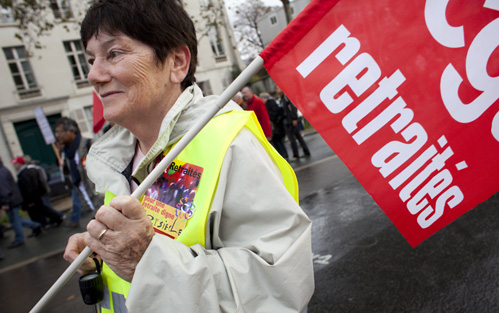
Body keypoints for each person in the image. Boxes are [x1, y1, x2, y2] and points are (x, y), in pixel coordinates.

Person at [63, 1, 314, 312]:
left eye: (113, 53)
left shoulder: (230, 144)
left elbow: (280, 289)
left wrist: (147, 260)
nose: (93, 75)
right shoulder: (116, 160)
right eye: (90, 59)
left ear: (177, 62)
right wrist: (103, 250)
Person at [55, 117, 98, 228]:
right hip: (88, 200)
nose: (57, 135)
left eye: (60, 132)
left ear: (72, 131)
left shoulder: (90, 144)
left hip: (100, 197)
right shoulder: (66, 154)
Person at [0, 157, 42, 248]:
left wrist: (5, 202)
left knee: (15, 221)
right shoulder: (3, 170)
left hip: (10, 201)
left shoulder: (1, 172)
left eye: (15, 164)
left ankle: (19, 238)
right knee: (16, 219)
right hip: (12, 199)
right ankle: (35, 225)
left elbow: (5, 190)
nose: (14, 166)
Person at [12, 157, 64, 229]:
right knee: (41, 210)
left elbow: (29, 187)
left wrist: (31, 200)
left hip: (33, 198)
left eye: (15, 164)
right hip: (35, 197)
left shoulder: (25, 172)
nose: (14, 166)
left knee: (43, 209)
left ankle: (56, 217)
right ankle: (44, 224)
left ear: (20, 164)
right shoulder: (25, 172)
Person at [276, 85, 311, 161]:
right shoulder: (281, 99)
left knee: (292, 138)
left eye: (278, 88)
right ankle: (306, 151)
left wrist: (294, 118)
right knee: (298, 136)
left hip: (291, 120)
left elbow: (293, 107)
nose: (277, 90)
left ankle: (296, 155)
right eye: (276, 89)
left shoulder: (286, 97)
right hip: (288, 121)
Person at [260, 92, 289, 160]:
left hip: (276, 125)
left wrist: (271, 118)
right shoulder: (269, 103)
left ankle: (284, 155)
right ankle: (283, 155)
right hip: (276, 125)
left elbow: (275, 112)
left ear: (264, 98)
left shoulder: (271, 102)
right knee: (277, 141)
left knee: (278, 141)